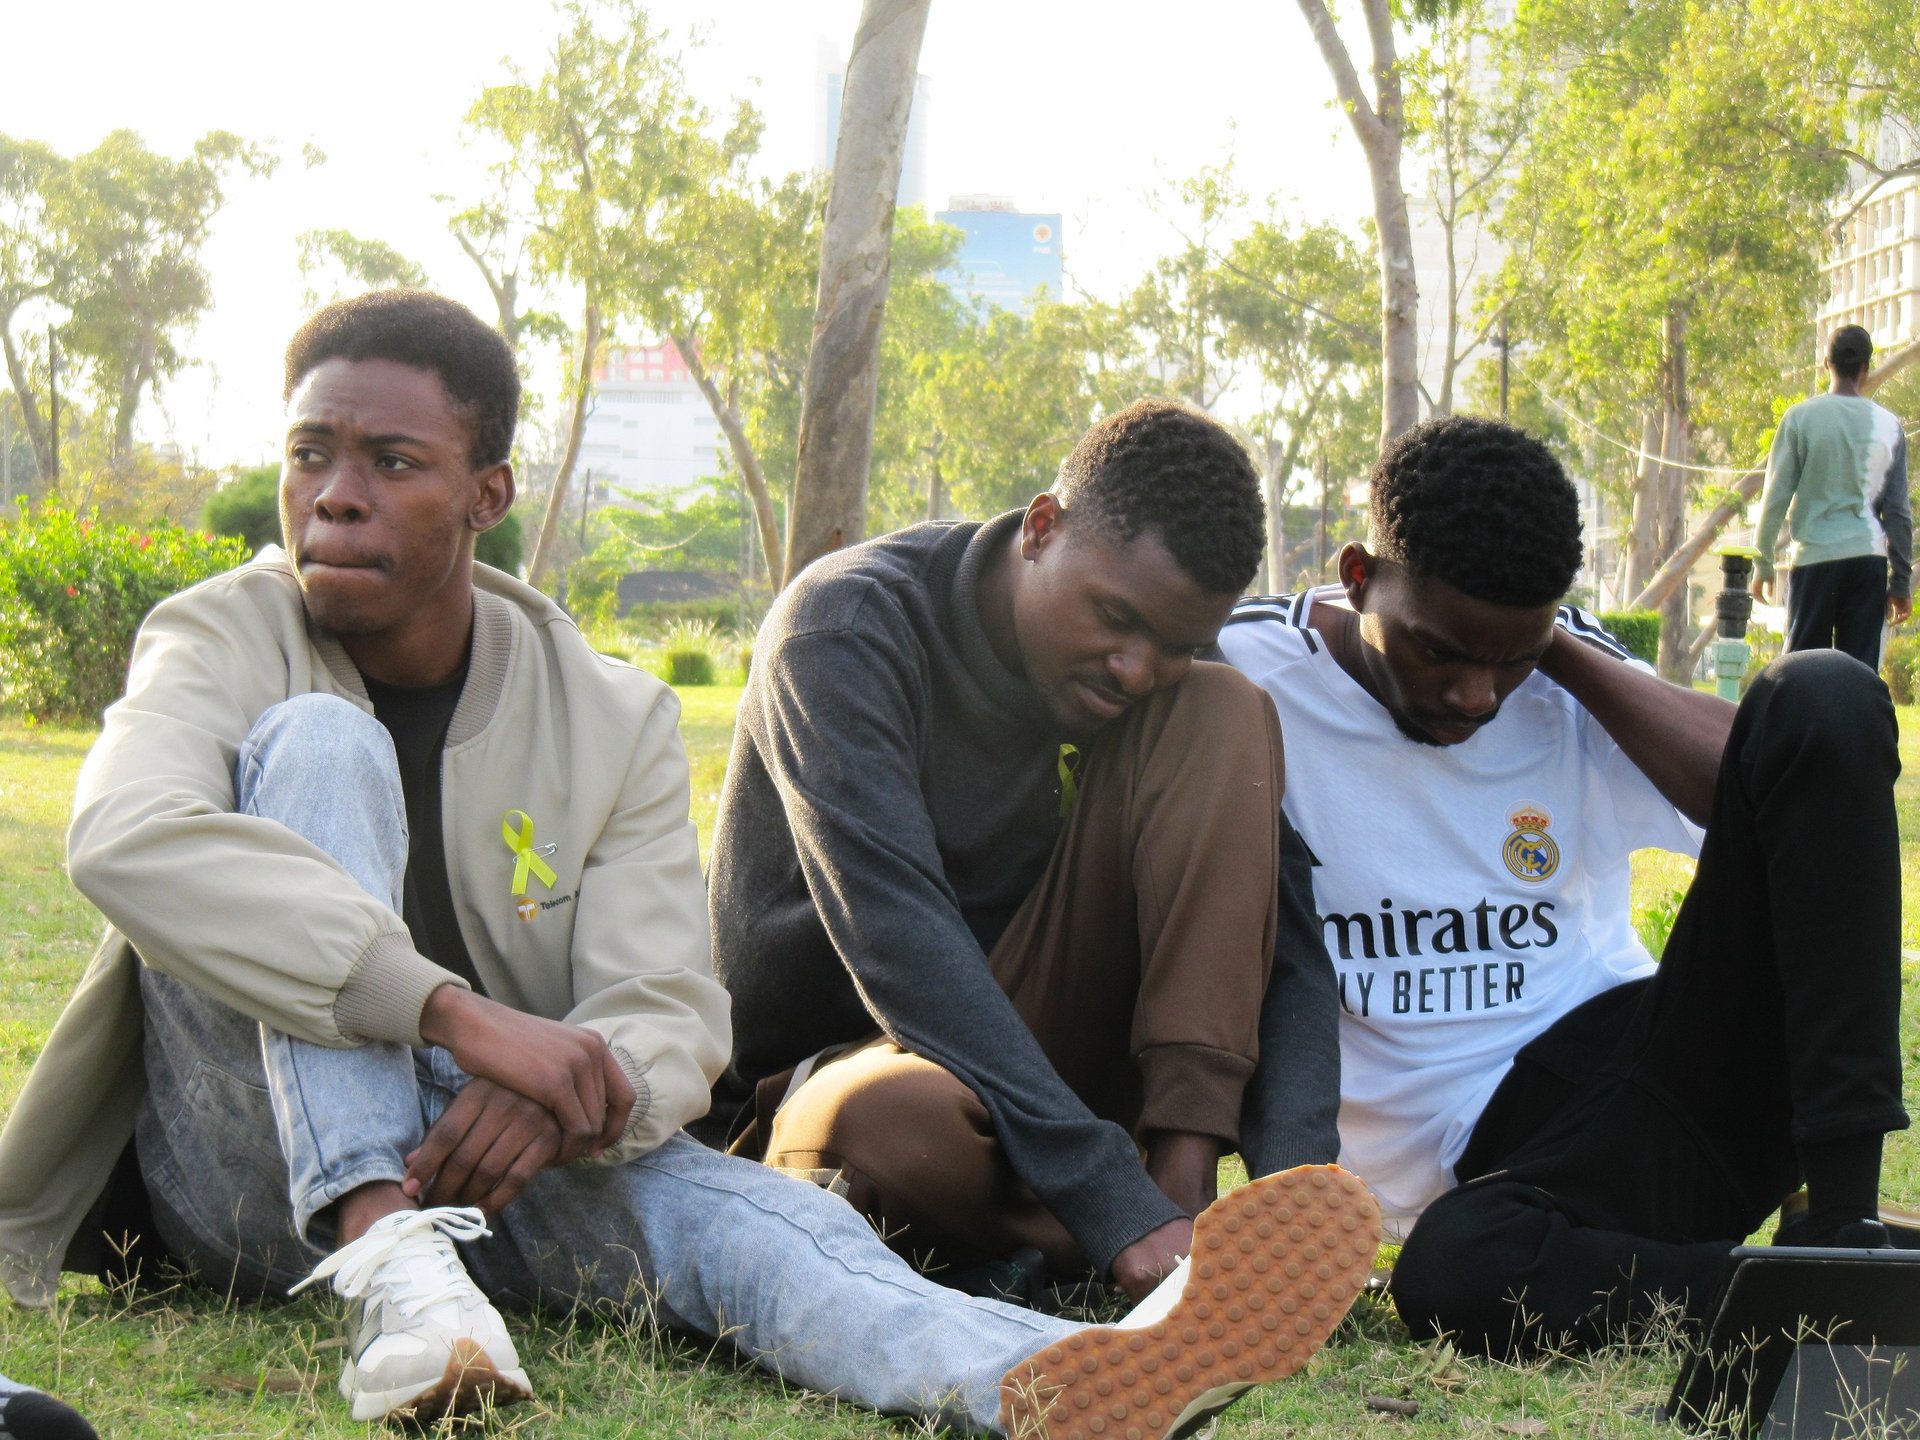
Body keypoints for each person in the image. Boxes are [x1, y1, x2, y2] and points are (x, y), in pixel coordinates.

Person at [0, 291, 1378, 1439]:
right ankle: (393, 1271)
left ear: (488, 496)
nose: (335, 498)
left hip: (486, 1162)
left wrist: (558, 1096)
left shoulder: (608, 710)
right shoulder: (218, 635)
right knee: (314, 748)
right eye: (313, 455)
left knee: (757, 1227)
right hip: (251, 1166)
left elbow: (669, 1008)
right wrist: (463, 1018)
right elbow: (127, 834)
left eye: (392, 465)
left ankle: (1051, 1375)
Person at [1218, 414, 1911, 1359]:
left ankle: (1844, 1234)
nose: (1475, 694)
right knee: (1454, 1274)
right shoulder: (1249, 667)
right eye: (1440, 651)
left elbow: (1770, 771)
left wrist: (1557, 650)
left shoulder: (1559, 671)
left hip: (1647, 1078)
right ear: (1357, 576)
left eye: (1507, 660)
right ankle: (1830, 1303)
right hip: (1497, 1194)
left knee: (1825, 693)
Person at [702, 397, 1340, 1303]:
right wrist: (1107, 1197)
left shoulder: (1165, 681)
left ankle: (1185, 1201)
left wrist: (1296, 1196)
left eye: (1175, 642)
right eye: (1114, 616)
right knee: (894, 1129)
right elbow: (896, 937)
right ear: (1043, 527)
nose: (1136, 667)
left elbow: (1288, 939)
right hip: (852, 1061)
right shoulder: (846, 627)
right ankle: (1135, 1238)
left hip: (1051, 1082)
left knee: (1224, 709)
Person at [1755, 323, 1913, 666]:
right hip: (1867, 561)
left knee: (1802, 670)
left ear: (1826, 363)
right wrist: (1901, 581)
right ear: (1866, 369)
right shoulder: (1889, 426)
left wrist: (1763, 561)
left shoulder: (1800, 418)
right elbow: (1898, 512)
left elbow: (1775, 497)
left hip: (1814, 560)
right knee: (1858, 673)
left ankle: (1803, 722)